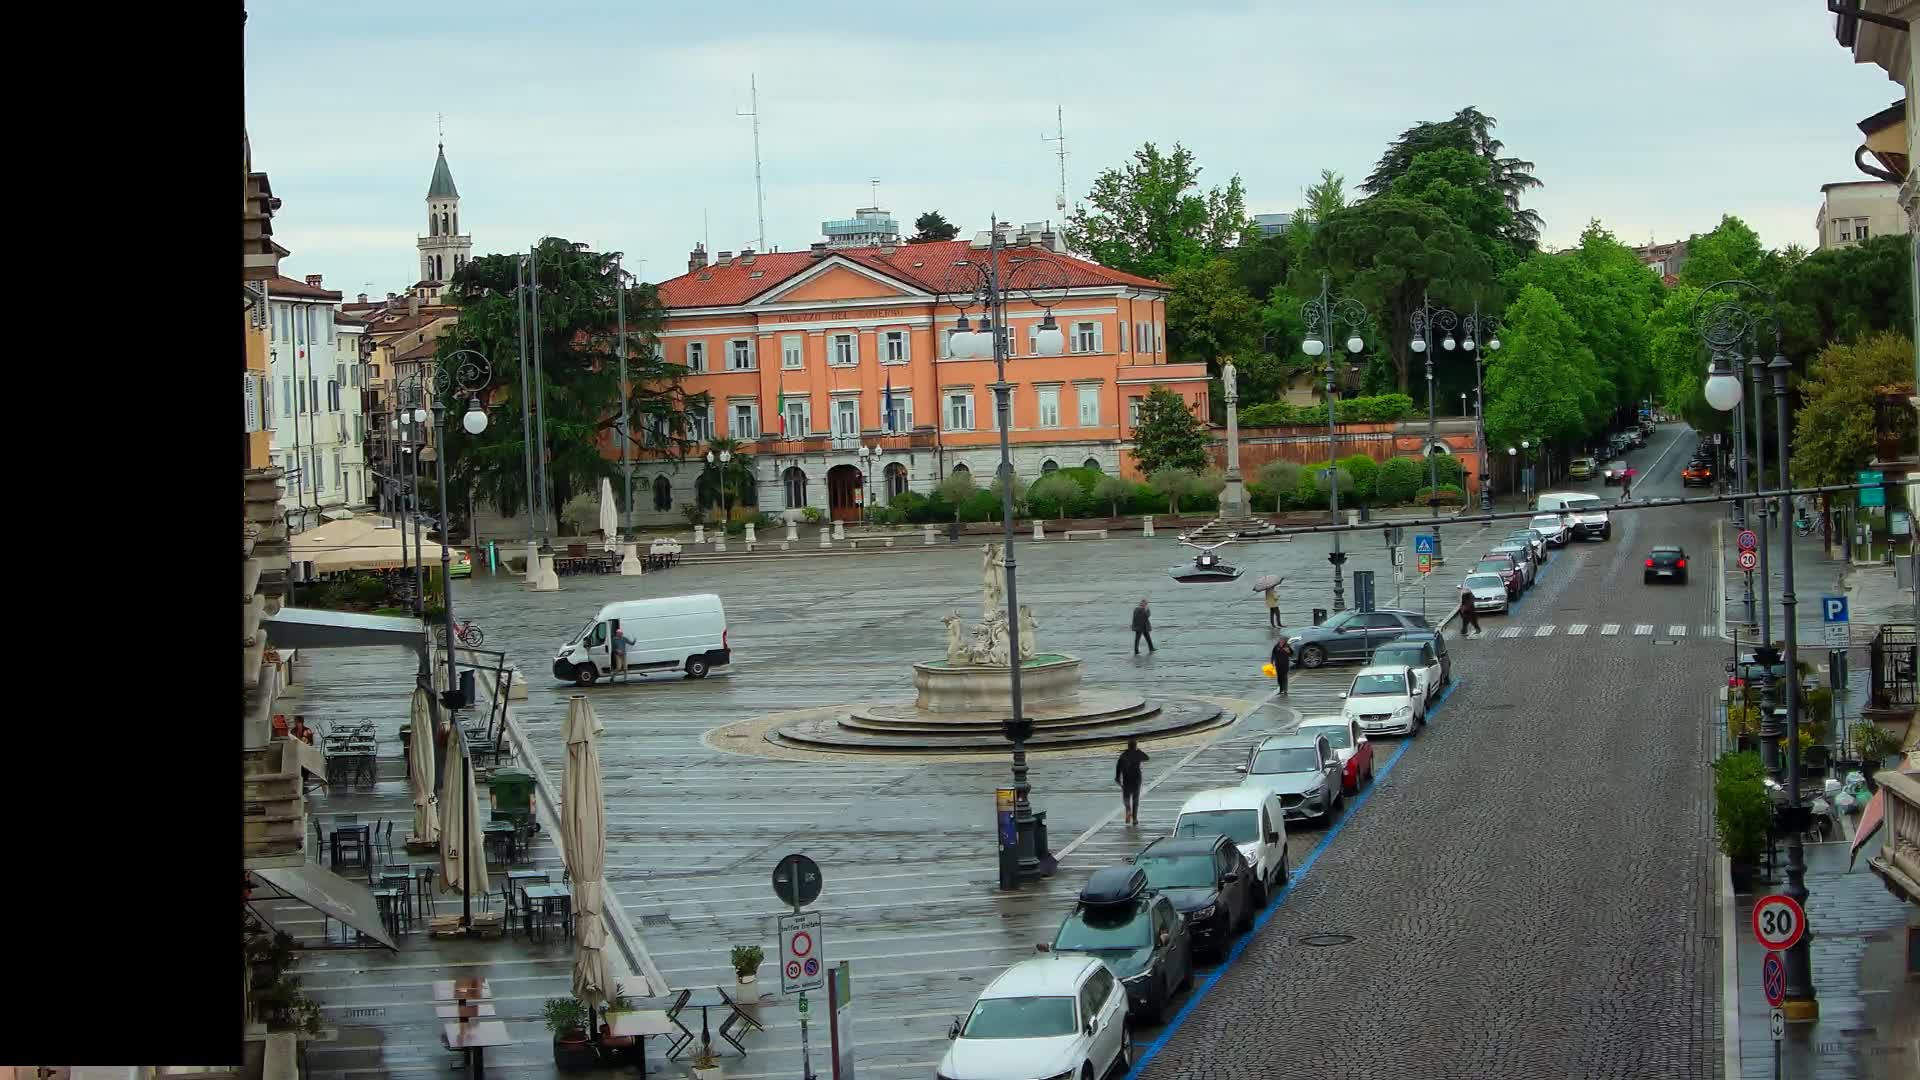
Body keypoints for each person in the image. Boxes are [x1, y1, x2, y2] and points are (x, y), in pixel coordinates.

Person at [1116, 737, 1149, 826]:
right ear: (1135, 746)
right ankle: (1134, 819)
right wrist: (1139, 751)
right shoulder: (1138, 754)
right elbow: (1147, 758)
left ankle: (1128, 810)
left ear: (1128, 746)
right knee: (1135, 799)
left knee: (1126, 797)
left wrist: (1117, 777)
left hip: (1127, 779)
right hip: (1137, 779)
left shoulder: (1124, 755)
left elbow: (1118, 766)